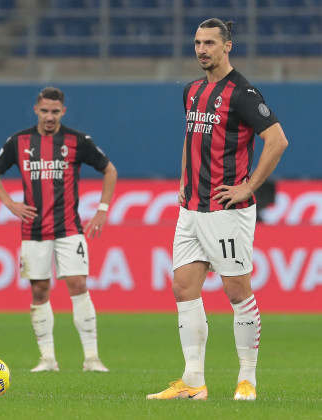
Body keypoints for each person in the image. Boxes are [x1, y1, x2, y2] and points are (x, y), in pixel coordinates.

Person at [147, 18, 288, 401]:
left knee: (236, 290)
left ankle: (247, 379)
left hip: (226, 209)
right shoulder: (192, 91)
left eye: (209, 42)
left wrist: (248, 186)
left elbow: (277, 141)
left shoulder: (243, 93)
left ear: (228, 46)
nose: (201, 49)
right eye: (197, 42)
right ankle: (193, 381)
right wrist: (182, 178)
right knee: (183, 287)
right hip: (191, 208)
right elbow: (190, 138)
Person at [0, 86, 118, 372]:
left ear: (63, 112)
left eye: (55, 111)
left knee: (78, 285)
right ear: (36, 110)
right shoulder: (18, 141)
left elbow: (109, 170)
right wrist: (10, 204)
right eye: (44, 111)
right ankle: (47, 359)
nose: (49, 116)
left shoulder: (77, 141)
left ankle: (92, 358)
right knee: (40, 290)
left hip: (69, 227)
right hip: (33, 230)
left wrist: (102, 211)